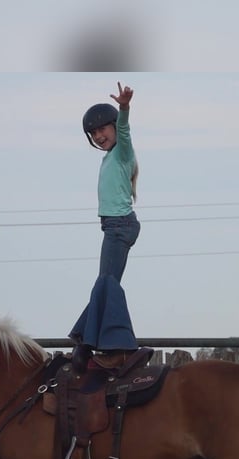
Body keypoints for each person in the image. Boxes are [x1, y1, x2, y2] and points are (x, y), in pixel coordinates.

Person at [69, 82, 141, 372]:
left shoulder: (123, 153)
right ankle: (85, 338)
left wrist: (123, 108)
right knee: (105, 284)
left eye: (104, 129)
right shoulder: (109, 158)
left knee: (107, 284)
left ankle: (118, 347)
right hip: (113, 227)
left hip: (120, 226)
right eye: (94, 133)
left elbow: (124, 131)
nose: (100, 136)